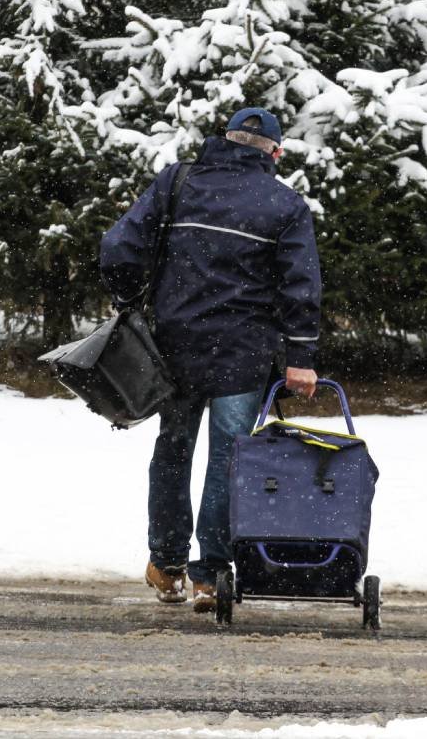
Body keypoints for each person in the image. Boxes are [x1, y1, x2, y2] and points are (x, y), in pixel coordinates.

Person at [100, 108, 322, 612]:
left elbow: (118, 247)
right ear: (275, 154)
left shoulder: (178, 181)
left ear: (223, 140)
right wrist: (301, 357)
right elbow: (300, 287)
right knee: (230, 459)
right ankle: (211, 574)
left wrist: (130, 299)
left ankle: (168, 565)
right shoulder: (285, 204)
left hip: (175, 346)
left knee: (174, 449)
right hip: (243, 354)